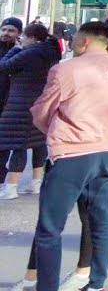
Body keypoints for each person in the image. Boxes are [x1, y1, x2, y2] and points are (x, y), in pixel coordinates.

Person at [28, 22, 108, 291]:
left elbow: (42, 110)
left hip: (74, 151)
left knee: (50, 228)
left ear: (84, 42)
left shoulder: (66, 70)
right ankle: (96, 282)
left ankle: (46, 286)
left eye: (74, 39)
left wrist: (54, 128)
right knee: (101, 219)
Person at [0, 24, 62, 200]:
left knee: (17, 144)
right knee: (37, 143)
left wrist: (16, 49)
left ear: (32, 38)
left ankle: (10, 187)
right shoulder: (50, 51)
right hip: (40, 101)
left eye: (24, 38)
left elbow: (5, 66)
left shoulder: (31, 51)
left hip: (20, 104)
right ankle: (36, 182)